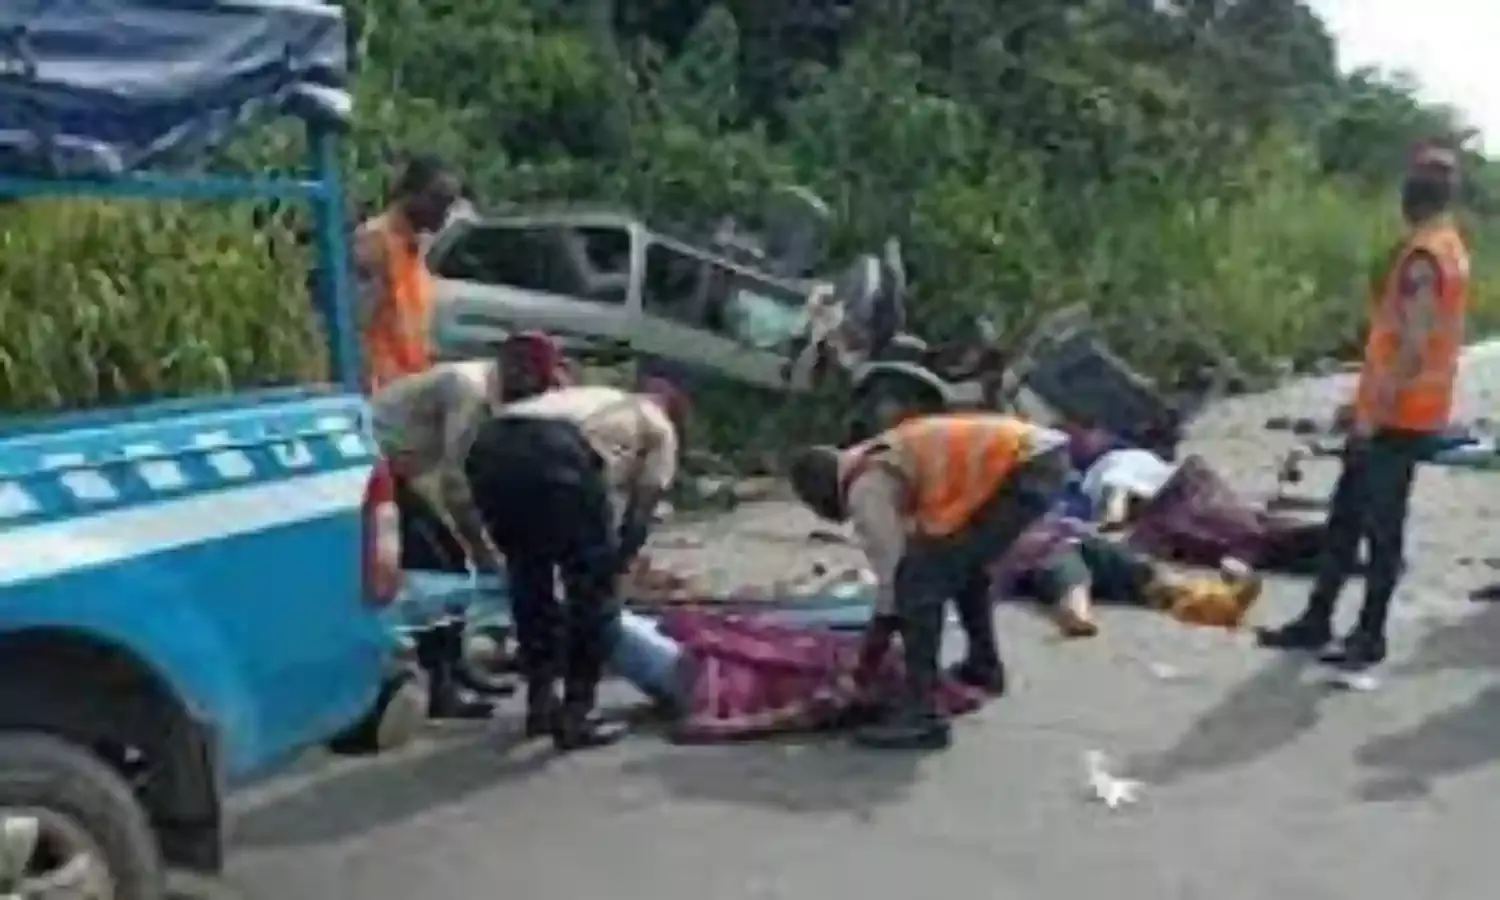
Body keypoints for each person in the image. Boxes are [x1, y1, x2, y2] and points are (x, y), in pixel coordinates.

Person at [1258, 142, 1470, 670]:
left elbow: (1415, 343)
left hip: (1398, 417)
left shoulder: (1425, 255)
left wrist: (1374, 411)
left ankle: (1368, 634)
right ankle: (1317, 620)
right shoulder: (1448, 246)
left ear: (1411, 194)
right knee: (1346, 519)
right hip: (1400, 411)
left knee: (1378, 528)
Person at [786, 413, 1072, 750]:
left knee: (920, 584)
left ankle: (921, 713)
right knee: (962, 566)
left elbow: (895, 582)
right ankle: (984, 666)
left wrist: (866, 662)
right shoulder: (873, 458)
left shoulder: (864, 488)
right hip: (1033, 459)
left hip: (1021, 468)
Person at [464, 380, 689, 750]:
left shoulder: (592, 397)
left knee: (529, 576)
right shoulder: (660, 427)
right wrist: (615, 569)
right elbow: (640, 513)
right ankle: (576, 716)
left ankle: (540, 703)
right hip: (556, 452)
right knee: (591, 597)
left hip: (490, 448)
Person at [355, 154, 463, 392]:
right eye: (437, 200)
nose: (444, 213)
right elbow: (356, 328)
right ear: (409, 194)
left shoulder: (414, 248)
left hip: (409, 388)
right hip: (382, 394)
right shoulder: (375, 244)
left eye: (449, 204)